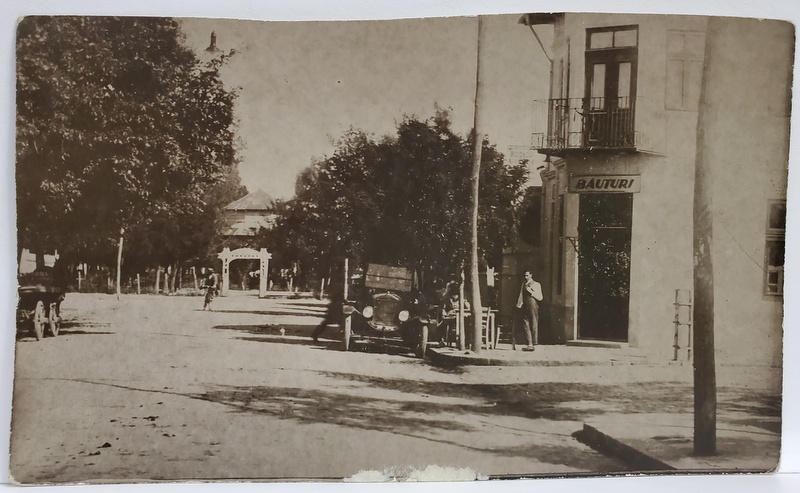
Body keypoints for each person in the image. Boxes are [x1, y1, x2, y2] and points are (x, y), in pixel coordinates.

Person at [516, 270, 543, 351]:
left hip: (533, 304)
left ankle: (535, 343)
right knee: (525, 323)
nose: (525, 277)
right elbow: (521, 294)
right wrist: (519, 304)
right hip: (525, 305)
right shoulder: (523, 284)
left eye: (527, 275)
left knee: (534, 322)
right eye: (525, 275)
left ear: (531, 275)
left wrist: (531, 292)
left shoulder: (536, 284)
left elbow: (540, 297)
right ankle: (529, 343)